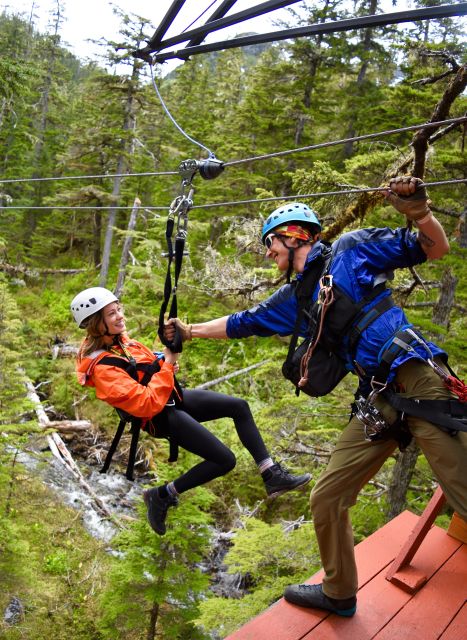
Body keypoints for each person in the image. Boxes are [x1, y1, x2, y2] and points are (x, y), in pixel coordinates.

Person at [164, 176, 467, 615]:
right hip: (379, 398)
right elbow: (242, 322)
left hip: (418, 379)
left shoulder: (352, 249)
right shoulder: (295, 298)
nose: (268, 252)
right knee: (327, 497)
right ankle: (339, 592)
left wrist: (419, 213)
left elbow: (433, 247)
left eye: (271, 243)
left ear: (295, 236)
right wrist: (189, 331)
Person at [70, 287, 311, 536]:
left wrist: (166, 350)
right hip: (160, 416)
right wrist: (169, 362)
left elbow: (148, 366)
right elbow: (146, 403)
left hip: (172, 397)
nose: (120, 315)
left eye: (118, 309)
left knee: (239, 407)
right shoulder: (102, 369)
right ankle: (161, 495)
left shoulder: (120, 342)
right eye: (112, 314)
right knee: (225, 460)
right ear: (97, 324)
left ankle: (271, 474)